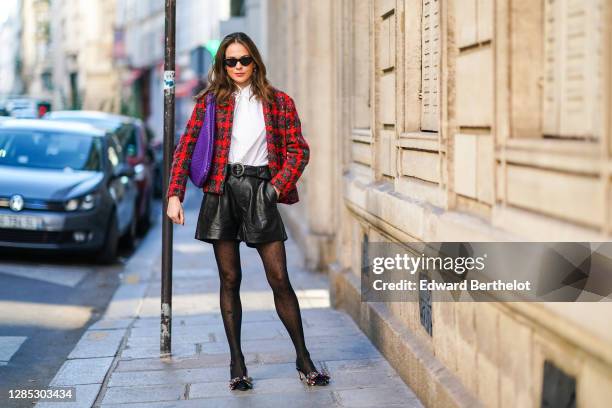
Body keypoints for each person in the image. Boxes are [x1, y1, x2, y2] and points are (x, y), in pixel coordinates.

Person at [166, 32, 330, 391]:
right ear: (222, 65)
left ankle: (303, 358)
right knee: (229, 279)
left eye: (244, 60)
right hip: (220, 192)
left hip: (260, 190)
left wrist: (275, 188)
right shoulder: (210, 102)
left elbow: (298, 151)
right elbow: (185, 148)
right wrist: (174, 194)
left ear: (255, 61)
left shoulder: (278, 102)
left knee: (279, 278)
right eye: (230, 61)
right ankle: (237, 363)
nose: (238, 66)